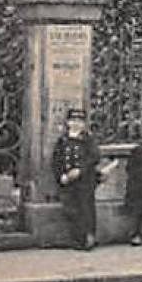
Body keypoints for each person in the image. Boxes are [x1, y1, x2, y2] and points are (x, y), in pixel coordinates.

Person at [52, 107, 103, 250]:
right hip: (69, 181)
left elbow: (94, 157)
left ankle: (88, 237)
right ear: (68, 122)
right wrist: (61, 175)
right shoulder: (63, 140)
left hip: (85, 181)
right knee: (71, 209)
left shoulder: (87, 139)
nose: (76, 124)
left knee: (86, 208)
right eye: (73, 120)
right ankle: (76, 238)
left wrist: (80, 170)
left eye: (79, 121)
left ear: (84, 124)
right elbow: (56, 160)